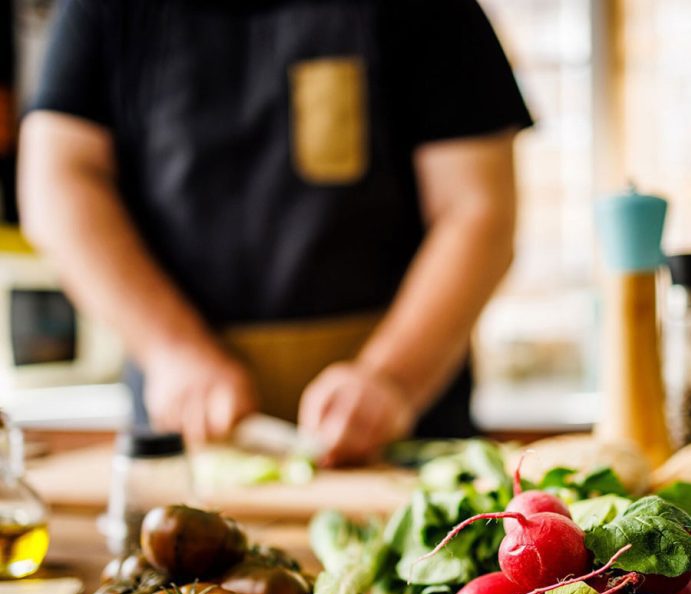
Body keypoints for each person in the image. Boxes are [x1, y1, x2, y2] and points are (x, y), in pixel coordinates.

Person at [18, 0, 533, 465]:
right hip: (187, 440)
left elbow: (477, 209)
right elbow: (57, 183)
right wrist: (172, 349)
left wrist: (392, 378)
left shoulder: (437, 10)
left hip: (405, 436)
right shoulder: (102, 12)